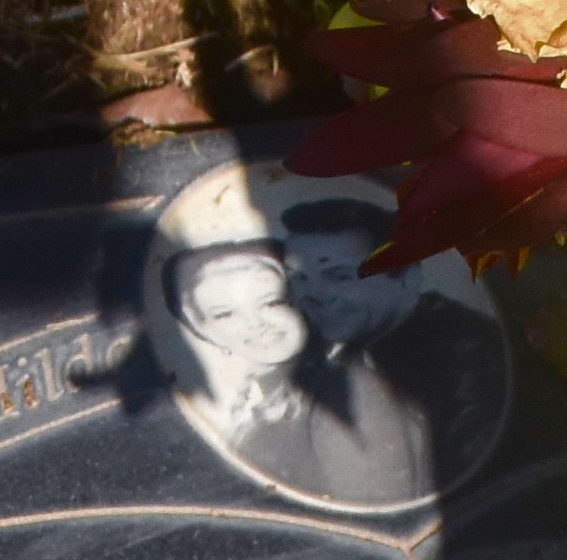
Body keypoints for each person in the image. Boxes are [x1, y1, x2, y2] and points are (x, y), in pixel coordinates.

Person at [160, 214, 503, 511]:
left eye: (271, 301)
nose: (256, 324)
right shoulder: (265, 399)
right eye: (224, 314)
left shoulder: (350, 391)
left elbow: (375, 522)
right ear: (199, 329)